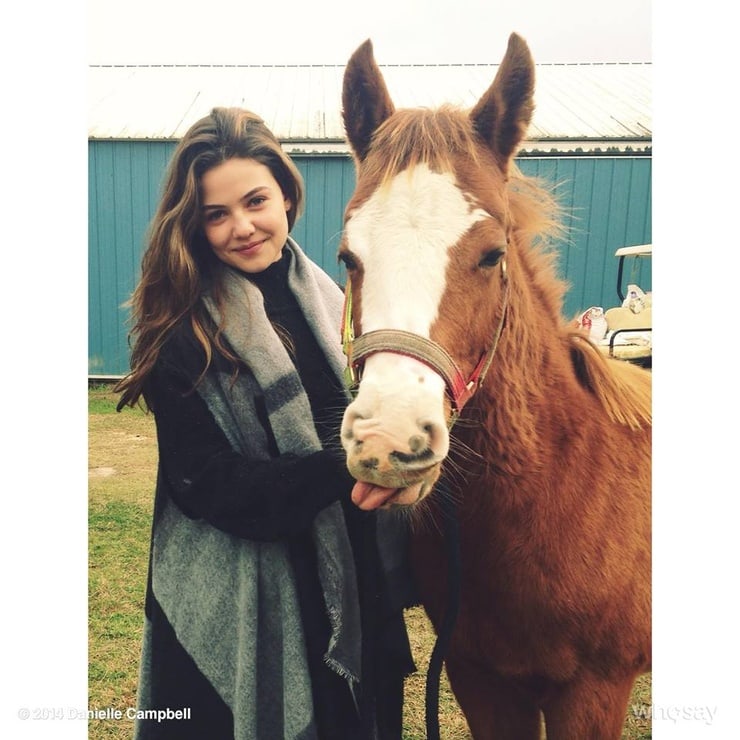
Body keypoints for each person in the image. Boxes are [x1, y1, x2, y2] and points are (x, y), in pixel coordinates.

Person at [115, 107, 416, 740]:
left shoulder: (339, 304)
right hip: (245, 591)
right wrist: (354, 461)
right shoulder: (182, 331)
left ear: (286, 192)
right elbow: (211, 487)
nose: (242, 227)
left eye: (255, 201)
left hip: (351, 579)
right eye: (215, 214)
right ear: (192, 224)